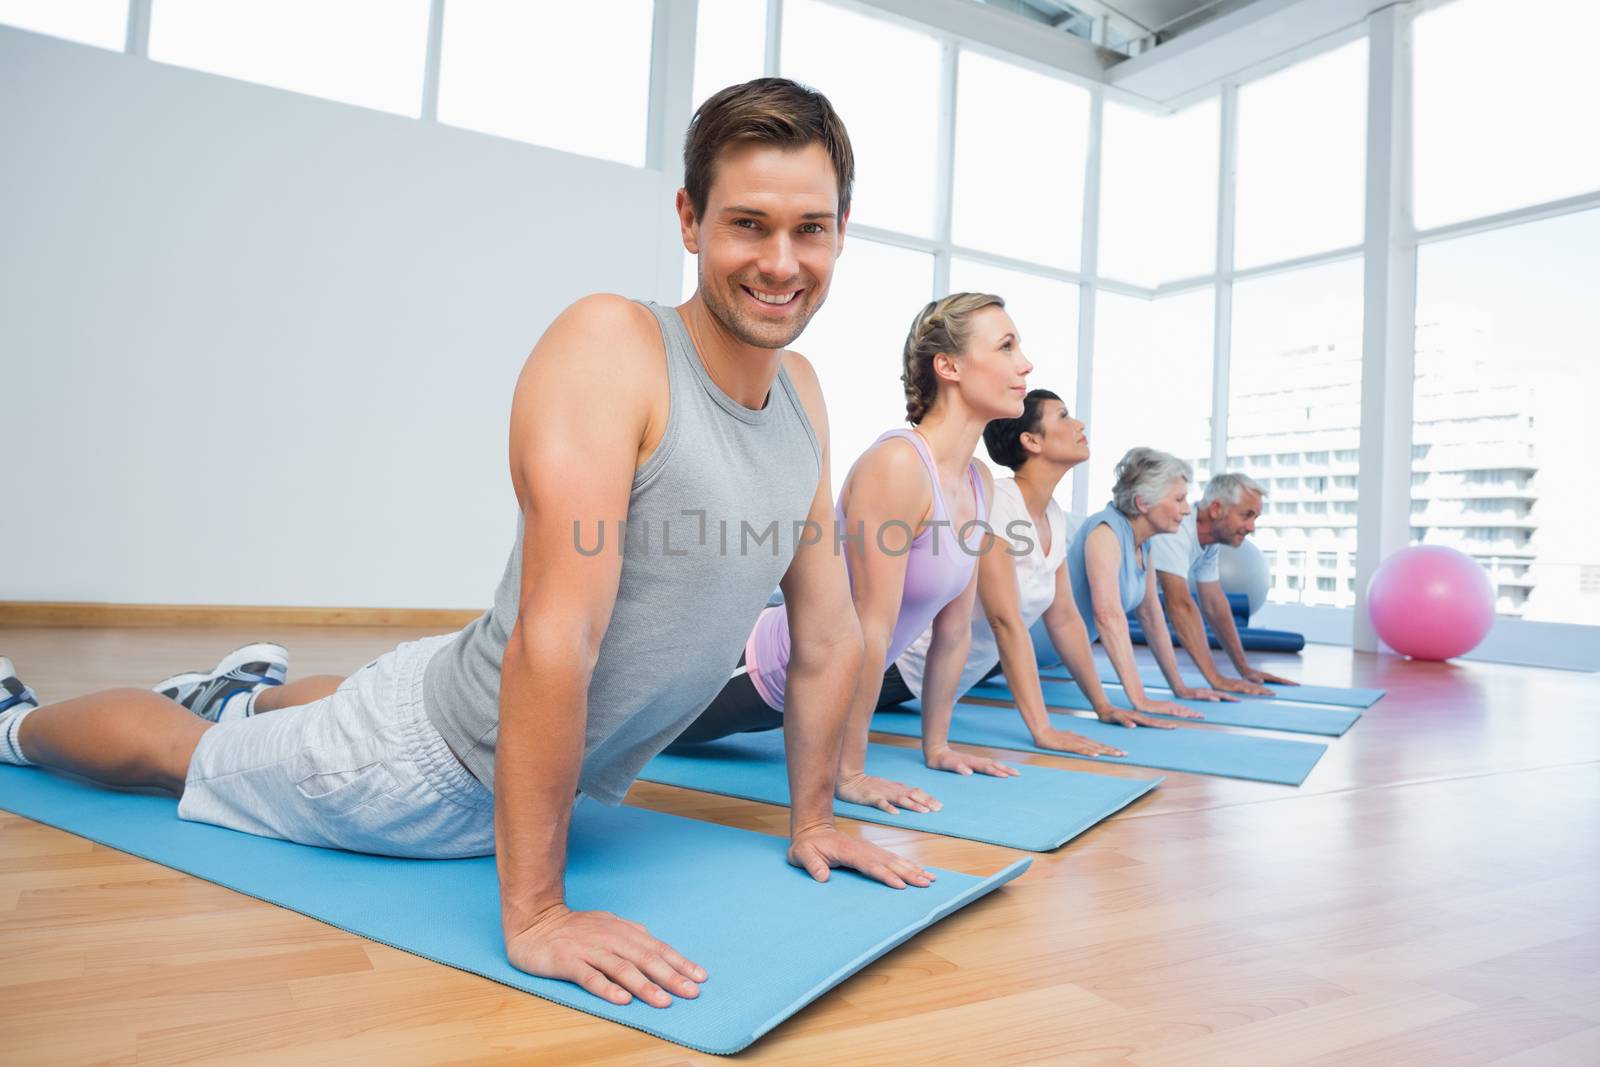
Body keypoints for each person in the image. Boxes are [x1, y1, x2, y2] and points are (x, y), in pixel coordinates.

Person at [0, 77, 932, 1011]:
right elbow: (555, 637)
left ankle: (243, 692)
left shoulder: (803, 392)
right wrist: (536, 915)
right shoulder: (613, 346)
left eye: (810, 228)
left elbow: (824, 634)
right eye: (748, 224)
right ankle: (16, 722)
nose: (781, 261)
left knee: (339, 696)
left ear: (842, 232)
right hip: (423, 772)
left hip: (487, 712)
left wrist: (815, 819)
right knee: (182, 755)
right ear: (689, 221)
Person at [672, 292, 1035, 813]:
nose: (1025, 362)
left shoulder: (978, 482)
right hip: (752, 669)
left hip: (807, 695)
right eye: (1006, 346)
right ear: (949, 365)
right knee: (611, 733)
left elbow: (954, 632)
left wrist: (937, 747)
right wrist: (849, 773)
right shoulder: (898, 467)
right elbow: (869, 630)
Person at [894, 389, 1133, 756]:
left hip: (941, 684)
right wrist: (1043, 730)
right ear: (1031, 440)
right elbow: (1004, 622)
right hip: (899, 667)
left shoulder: (1052, 514)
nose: (1079, 424)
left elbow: (1066, 620)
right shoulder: (998, 504)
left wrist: (1103, 706)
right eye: (1064, 416)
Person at [1065, 447, 1238, 723]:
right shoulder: (1105, 531)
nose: (1186, 509)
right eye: (1179, 499)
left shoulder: (1144, 542)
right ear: (1143, 503)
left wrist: (1179, 687)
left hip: (1054, 657)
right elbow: (1108, 616)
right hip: (1010, 651)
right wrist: (1139, 698)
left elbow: (1151, 615)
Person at [1148, 472, 1298, 695]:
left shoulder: (1208, 543)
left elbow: (1215, 605)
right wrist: (1216, 679)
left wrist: (1244, 669)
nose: (1251, 527)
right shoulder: (1177, 528)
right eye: (1246, 515)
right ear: (1217, 509)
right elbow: (1180, 606)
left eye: (1255, 518)